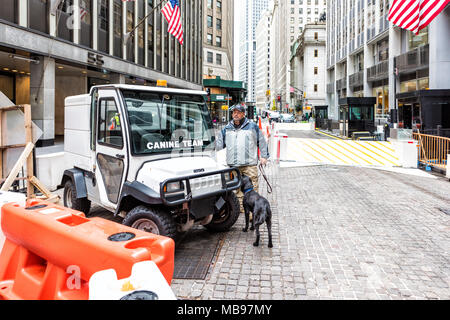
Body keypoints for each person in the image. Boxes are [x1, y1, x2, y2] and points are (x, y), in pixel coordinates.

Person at [216, 104, 269, 212]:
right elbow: (219, 145)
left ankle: (253, 212)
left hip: (249, 164)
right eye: (234, 112)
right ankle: (241, 211)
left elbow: (262, 141)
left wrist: (264, 156)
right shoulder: (227, 128)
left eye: (238, 112)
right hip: (233, 165)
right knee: (236, 189)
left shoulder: (252, 126)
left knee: (252, 189)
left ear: (243, 114)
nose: (235, 114)